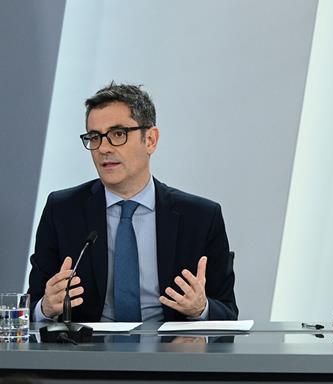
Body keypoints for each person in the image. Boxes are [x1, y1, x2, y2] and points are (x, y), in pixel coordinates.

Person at [27, 82, 237, 322]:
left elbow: (228, 312)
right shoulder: (63, 210)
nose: (103, 148)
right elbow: (32, 305)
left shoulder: (200, 217)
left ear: (150, 140)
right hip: (87, 354)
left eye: (118, 134)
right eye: (94, 137)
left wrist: (201, 309)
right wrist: (45, 307)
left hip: (171, 354)